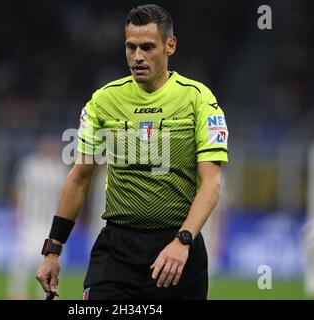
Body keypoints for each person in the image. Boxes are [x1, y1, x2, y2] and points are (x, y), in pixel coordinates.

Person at [36, 4, 229, 300]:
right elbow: (79, 178)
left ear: (170, 46)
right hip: (116, 252)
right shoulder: (103, 101)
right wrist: (53, 250)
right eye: (131, 47)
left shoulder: (199, 100)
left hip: (176, 248)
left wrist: (184, 240)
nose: (137, 57)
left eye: (148, 47)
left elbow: (211, 184)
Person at [7, 136, 67, 299]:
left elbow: (67, 197)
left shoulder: (60, 170)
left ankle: (46, 296)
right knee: (21, 268)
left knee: (49, 269)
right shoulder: (30, 166)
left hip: (51, 227)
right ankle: (18, 296)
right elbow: (17, 190)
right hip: (29, 223)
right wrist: (16, 214)